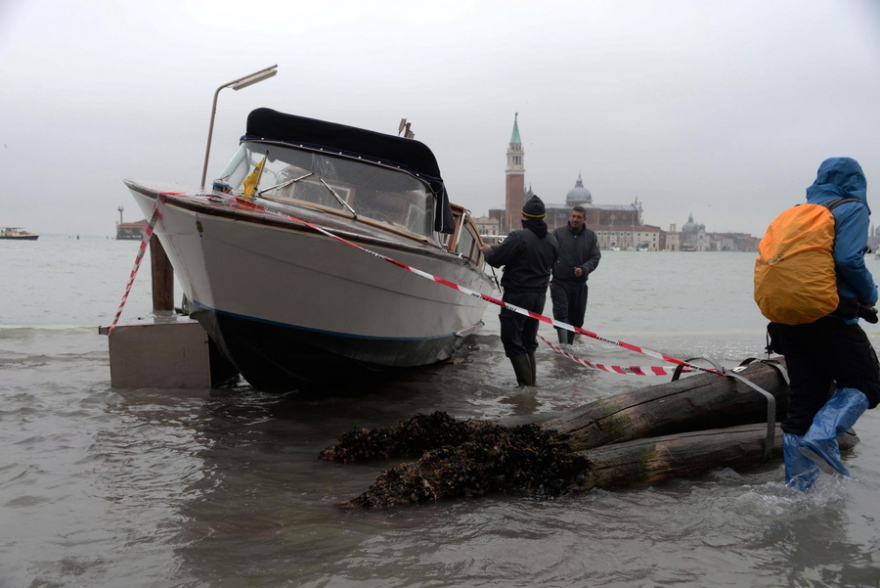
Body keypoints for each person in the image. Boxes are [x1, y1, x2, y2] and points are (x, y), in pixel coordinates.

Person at [767, 157, 880, 490]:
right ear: (856, 181)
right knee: (867, 384)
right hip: (830, 317)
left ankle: (799, 492)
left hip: (787, 320)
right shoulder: (851, 207)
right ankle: (821, 436)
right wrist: (870, 293)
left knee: (803, 405)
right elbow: (848, 258)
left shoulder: (799, 212)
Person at [480, 195, 558, 386]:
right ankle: (531, 387)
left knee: (512, 340)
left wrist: (487, 251)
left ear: (524, 217)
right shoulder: (552, 240)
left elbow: (496, 259)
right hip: (539, 297)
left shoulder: (518, 237)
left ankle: (525, 388)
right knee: (528, 340)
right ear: (543, 217)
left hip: (517, 296)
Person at [551, 205, 601, 347]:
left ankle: (569, 346)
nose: (575, 220)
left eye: (579, 217)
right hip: (559, 283)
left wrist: (584, 269)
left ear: (584, 219)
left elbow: (595, 257)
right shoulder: (558, 234)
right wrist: (545, 276)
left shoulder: (591, 237)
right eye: (573, 216)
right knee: (561, 315)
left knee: (576, 319)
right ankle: (563, 345)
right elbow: (547, 255)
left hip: (579, 284)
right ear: (569, 216)